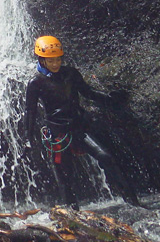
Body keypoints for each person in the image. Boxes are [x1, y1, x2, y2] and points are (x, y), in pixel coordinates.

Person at [24, 35, 143, 209]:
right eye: (51, 61)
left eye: (58, 59)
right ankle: (74, 217)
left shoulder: (70, 73)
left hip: (79, 126)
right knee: (65, 177)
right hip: (58, 134)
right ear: (41, 60)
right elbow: (30, 112)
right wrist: (28, 139)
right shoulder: (35, 83)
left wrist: (110, 99)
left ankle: (134, 203)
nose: (56, 64)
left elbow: (88, 93)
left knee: (106, 157)